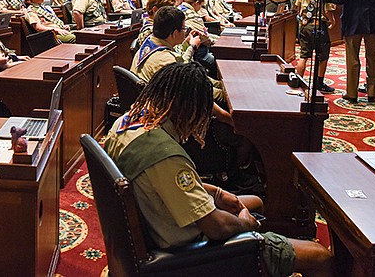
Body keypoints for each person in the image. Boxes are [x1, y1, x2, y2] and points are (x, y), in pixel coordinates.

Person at [103, 63, 333, 277]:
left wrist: (217, 193)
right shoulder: (166, 156)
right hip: (189, 252)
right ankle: (258, 253)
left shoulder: (126, 122)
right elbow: (216, 227)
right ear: (190, 109)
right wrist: (246, 224)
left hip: (160, 221)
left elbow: (158, 181)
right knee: (320, 255)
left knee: (256, 201)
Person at [294, 0, 336, 94]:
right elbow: (328, 9)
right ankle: (319, 83)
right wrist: (332, 21)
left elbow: (298, 7)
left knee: (303, 55)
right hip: (319, 26)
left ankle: (298, 81)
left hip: (305, 25)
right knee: (323, 56)